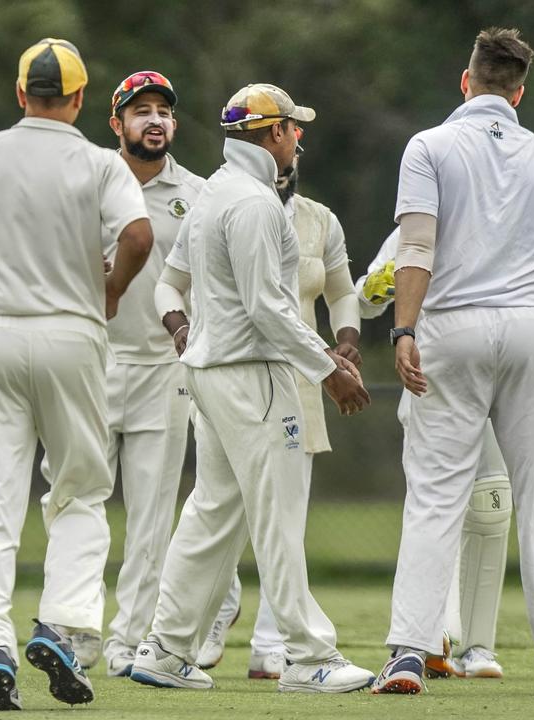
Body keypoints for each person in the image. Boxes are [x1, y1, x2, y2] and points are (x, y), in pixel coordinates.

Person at [371, 28, 534, 697]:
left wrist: (403, 330)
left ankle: (409, 654)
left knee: (435, 495)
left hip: (450, 328)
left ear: (466, 81)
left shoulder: (429, 147)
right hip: (531, 330)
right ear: (520, 92)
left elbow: (415, 247)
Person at [0, 38, 154, 710]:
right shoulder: (98, 164)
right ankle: (59, 624)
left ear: (21, 93)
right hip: (72, 333)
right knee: (79, 491)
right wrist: (109, 287)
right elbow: (138, 236)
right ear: (81, 99)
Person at [128, 83, 375, 694]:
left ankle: (164, 649)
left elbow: (186, 286)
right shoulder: (257, 205)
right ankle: (308, 656)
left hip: (210, 378)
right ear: (272, 134)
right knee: (279, 513)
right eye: (294, 127)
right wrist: (329, 370)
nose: (300, 138)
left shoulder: (212, 193)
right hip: (255, 378)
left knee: (213, 512)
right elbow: (271, 310)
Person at [358, 229, 534, 680]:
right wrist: (383, 283)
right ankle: (432, 635)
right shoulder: (413, 229)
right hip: (437, 384)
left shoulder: (515, 222)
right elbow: (366, 295)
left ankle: (477, 646)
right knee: (438, 507)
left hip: (499, 390)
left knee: (492, 507)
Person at [195, 147, 364, 681]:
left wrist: (346, 343)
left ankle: (272, 645)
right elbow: (263, 307)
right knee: (224, 511)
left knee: (283, 516)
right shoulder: (237, 204)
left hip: (300, 378)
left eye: (294, 150)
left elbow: (341, 291)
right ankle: (210, 624)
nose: (288, 161)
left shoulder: (317, 219)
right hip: (248, 371)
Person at [76, 70, 206, 679]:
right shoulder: (86, 181)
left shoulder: (199, 194)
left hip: (165, 368)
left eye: (163, 112)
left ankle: (129, 643)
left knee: (153, 516)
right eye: (140, 111)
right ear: (116, 124)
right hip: (90, 362)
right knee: (80, 504)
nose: (154, 121)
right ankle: (76, 631)